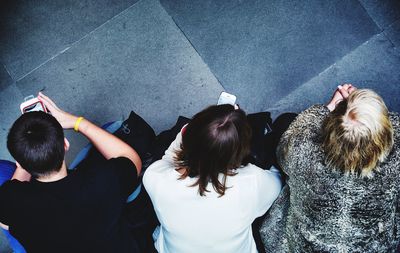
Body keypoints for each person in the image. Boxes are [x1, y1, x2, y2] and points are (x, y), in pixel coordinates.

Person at [260, 85, 400, 252]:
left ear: (332, 125)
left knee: (285, 121)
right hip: (371, 247)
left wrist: (330, 107)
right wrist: (364, 114)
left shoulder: (300, 148)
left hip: (304, 245)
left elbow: (283, 153)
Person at [0, 93, 144, 253]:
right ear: (65, 145)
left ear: (19, 162)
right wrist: (79, 123)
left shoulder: (10, 199)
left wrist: (27, 159)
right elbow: (132, 160)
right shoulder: (104, 179)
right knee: (110, 127)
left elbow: (5, 221)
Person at [143, 104, 283, 253]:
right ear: (240, 151)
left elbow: (168, 159)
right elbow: (278, 181)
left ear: (189, 138)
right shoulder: (253, 182)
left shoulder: (157, 179)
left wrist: (184, 133)